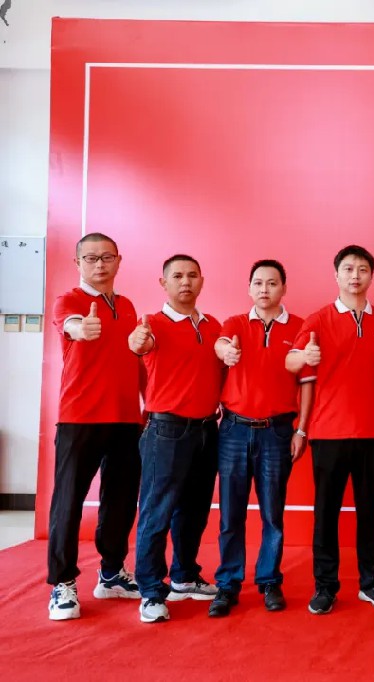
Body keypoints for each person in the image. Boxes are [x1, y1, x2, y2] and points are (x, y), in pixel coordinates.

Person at [286, 245, 374, 615]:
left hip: (373, 432)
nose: (355, 275)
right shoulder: (317, 320)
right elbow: (291, 361)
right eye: (348, 269)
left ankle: (371, 582)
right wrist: (304, 356)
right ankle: (325, 586)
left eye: (362, 269)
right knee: (326, 514)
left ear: (371, 276)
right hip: (329, 433)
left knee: (370, 513)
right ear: (336, 275)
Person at [46, 232, 143, 621]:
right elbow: (71, 325)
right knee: (68, 502)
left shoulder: (128, 306)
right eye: (90, 258)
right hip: (79, 418)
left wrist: (148, 404)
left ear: (119, 260)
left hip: (125, 419)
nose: (99, 264)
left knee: (121, 501)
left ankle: (112, 573)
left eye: (106, 257)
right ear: (78, 263)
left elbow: (135, 360)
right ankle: (62, 582)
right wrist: (80, 328)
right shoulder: (68, 301)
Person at [207, 260, 307, 617]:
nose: (265, 289)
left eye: (272, 283)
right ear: (249, 288)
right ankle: (228, 584)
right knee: (230, 514)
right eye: (258, 283)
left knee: (272, 513)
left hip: (277, 431)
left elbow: (307, 382)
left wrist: (301, 429)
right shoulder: (234, 323)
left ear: (284, 288)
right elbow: (221, 345)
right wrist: (227, 352)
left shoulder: (299, 327)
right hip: (234, 430)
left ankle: (269, 581)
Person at [129, 254, 224, 623]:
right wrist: (137, 341)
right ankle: (151, 591)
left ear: (202, 281)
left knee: (194, 511)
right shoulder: (151, 324)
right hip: (166, 431)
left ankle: (184, 576)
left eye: (192, 275)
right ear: (163, 283)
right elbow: (139, 345)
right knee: (157, 512)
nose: (186, 282)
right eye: (178, 276)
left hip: (207, 429)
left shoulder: (213, 326)